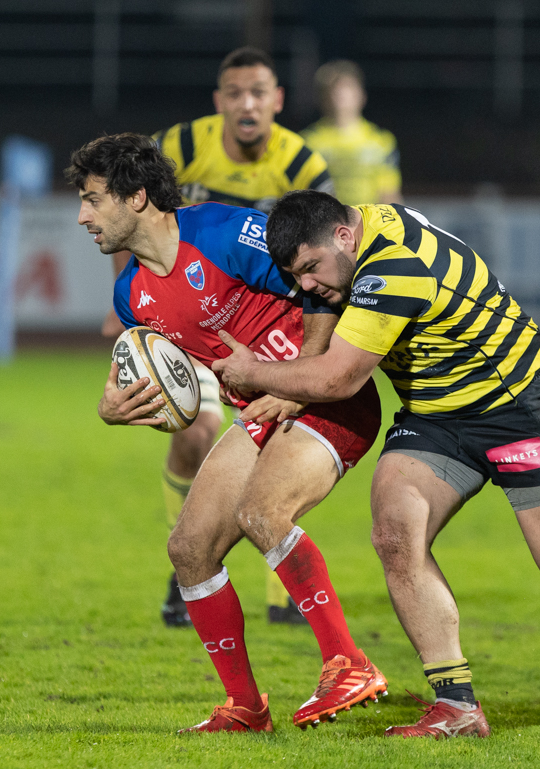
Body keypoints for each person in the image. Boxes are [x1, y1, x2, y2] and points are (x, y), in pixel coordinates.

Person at [211, 192, 540, 738]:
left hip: (518, 407)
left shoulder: (393, 267)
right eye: (298, 276)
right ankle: (457, 704)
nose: (309, 287)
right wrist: (296, 365)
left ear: (344, 236)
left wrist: (256, 373)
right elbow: (321, 327)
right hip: (435, 418)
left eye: (312, 269)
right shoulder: (354, 237)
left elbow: (338, 380)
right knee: (394, 532)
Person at [71, 133, 385, 733]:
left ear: (136, 198)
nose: (83, 216)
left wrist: (296, 384)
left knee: (263, 512)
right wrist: (120, 407)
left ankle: (348, 663)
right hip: (259, 413)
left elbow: (320, 291)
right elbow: (175, 383)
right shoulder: (130, 295)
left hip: (323, 401)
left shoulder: (220, 232)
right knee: (189, 550)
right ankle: (245, 707)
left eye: (93, 199)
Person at [100, 46, 336, 627]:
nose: (247, 104)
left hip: (256, 327)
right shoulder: (179, 146)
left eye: (258, 92)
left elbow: (317, 248)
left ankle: (281, 594)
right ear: (219, 102)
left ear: (277, 101)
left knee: (285, 448)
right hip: (183, 321)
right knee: (192, 434)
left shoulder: (303, 163)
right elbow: (129, 220)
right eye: (235, 93)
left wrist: (305, 360)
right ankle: (187, 568)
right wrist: (126, 304)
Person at [300, 60, 402, 205]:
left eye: (346, 88)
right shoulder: (307, 142)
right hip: (324, 223)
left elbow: (389, 194)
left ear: (361, 95)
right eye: (333, 89)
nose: (339, 95)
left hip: (369, 223)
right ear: (322, 97)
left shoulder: (380, 141)